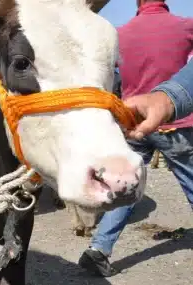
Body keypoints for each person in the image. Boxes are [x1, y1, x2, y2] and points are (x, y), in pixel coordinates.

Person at [78, 0, 193, 277]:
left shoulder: (119, 34)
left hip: (133, 125)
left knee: (127, 187)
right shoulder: (185, 27)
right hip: (173, 122)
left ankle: (99, 249)